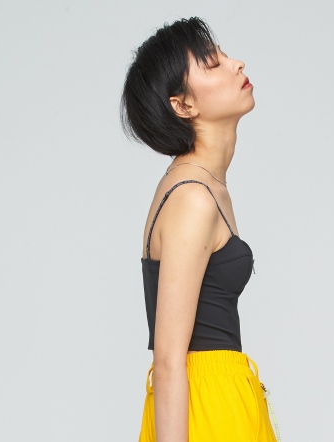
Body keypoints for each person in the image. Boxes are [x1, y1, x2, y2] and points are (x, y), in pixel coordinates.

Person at [120, 16, 280, 442]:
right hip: (206, 407)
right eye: (213, 63)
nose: (237, 64)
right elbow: (169, 359)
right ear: (183, 105)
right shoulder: (193, 197)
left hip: (221, 398)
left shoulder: (204, 186)